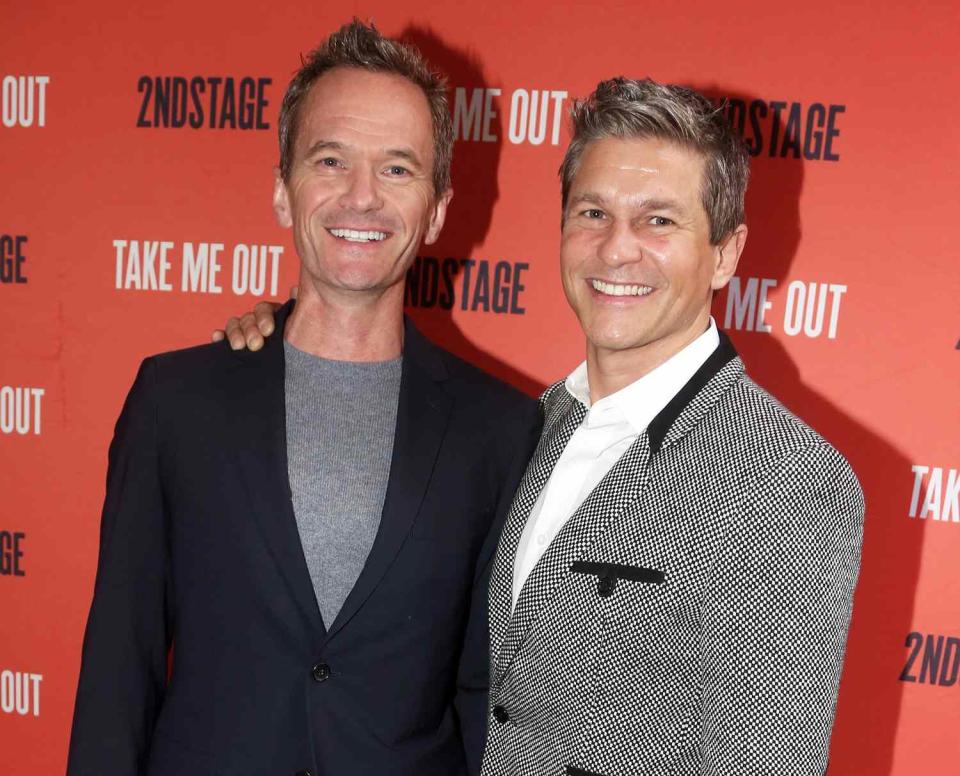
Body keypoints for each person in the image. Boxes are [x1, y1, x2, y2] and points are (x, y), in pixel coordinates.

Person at [227, 77, 864, 775]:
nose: (617, 249)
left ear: (725, 253)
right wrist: (282, 338)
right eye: (593, 212)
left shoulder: (785, 480)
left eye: (659, 221)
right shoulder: (520, 429)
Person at [67, 20, 539, 776]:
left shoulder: (502, 430)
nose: (362, 197)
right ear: (284, 191)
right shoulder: (176, 402)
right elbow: (119, 670)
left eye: (397, 169)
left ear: (438, 208)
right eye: (331, 160)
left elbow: (488, 693)